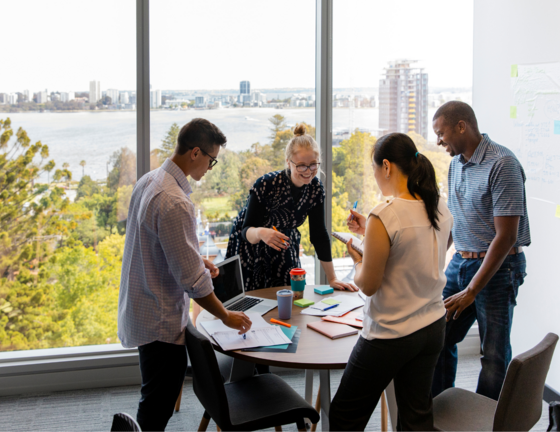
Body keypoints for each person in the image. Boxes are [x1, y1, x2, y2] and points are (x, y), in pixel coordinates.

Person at [117, 118, 252, 431]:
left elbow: (154, 244)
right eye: (211, 160)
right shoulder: (174, 201)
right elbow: (193, 282)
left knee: (153, 397)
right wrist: (225, 316)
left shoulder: (150, 181)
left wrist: (194, 258)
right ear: (195, 153)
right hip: (160, 320)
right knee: (156, 407)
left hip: (142, 308)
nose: (210, 168)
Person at [329, 133, 452, 431]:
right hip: (432, 326)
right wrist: (370, 233)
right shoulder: (439, 205)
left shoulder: (384, 214)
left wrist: (358, 260)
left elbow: (368, 285)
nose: (375, 176)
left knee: (344, 415)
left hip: (391, 334)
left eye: (374, 169)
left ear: (386, 166)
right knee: (415, 417)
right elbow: (419, 250)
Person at [431, 101, 530, 401]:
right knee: (437, 336)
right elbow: (456, 218)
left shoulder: (503, 164)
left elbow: (506, 236)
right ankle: (440, 410)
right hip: (461, 262)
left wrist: (472, 290)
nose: (439, 141)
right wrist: (433, 259)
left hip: (500, 268)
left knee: (494, 354)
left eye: (441, 133)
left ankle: (486, 419)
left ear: (461, 126)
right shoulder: (455, 164)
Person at [226, 124, 356, 292]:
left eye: (313, 164)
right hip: (252, 244)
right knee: (254, 298)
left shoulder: (315, 188)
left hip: (284, 243)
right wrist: (261, 233)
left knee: (290, 294)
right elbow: (246, 230)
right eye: (301, 165)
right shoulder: (266, 184)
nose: (308, 171)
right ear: (288, 162)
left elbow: (319, 235)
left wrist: (332, 278)